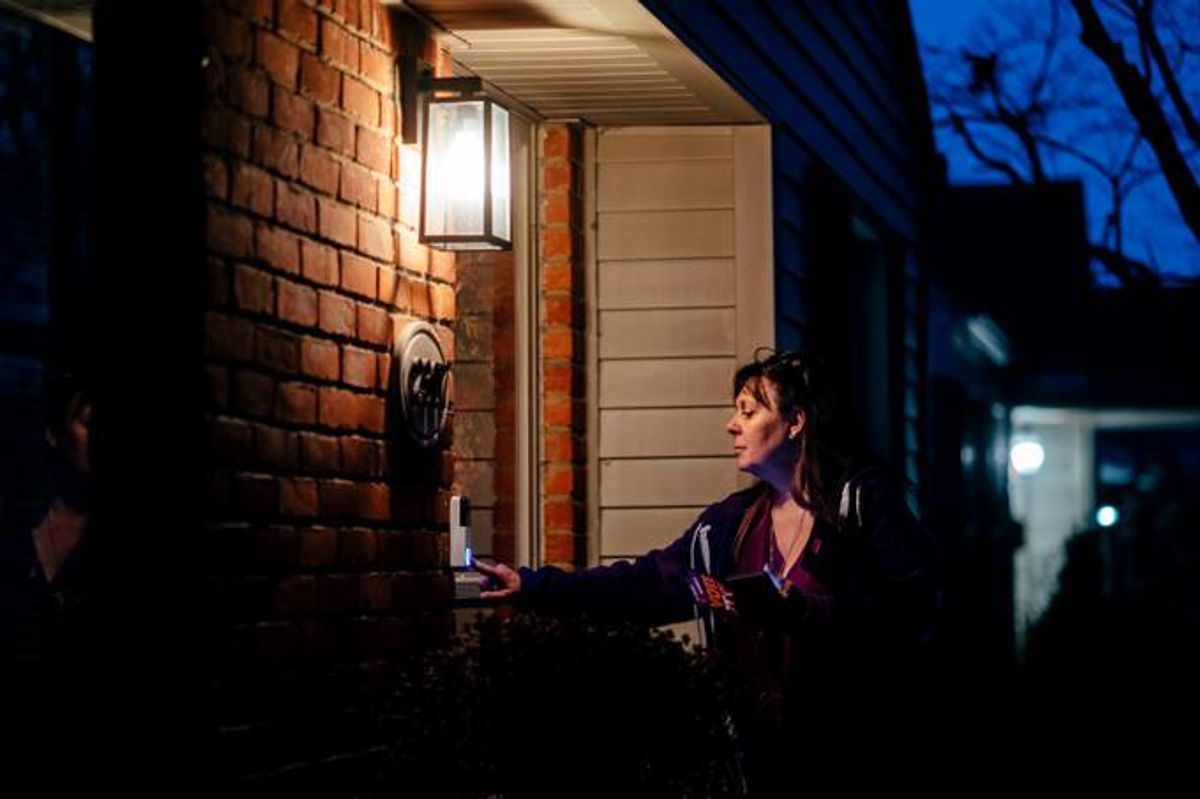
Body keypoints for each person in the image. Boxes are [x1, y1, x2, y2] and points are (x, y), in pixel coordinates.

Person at [474, 349, 943, 790]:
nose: (731, 425)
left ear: (796, 421)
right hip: (764, 767)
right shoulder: (730, 527)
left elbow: (916, 612)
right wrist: (533, 585)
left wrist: (805, 614)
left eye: (748, 411)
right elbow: (651, 583)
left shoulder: (858, 505)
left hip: (856, 759)